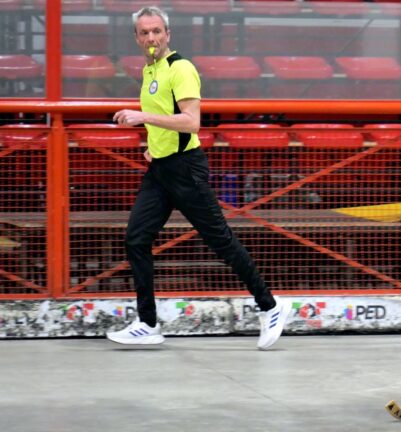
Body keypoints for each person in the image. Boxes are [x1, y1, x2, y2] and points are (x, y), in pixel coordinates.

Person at [107, 6, 291, 348]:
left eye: (157, 31)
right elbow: (165, 118)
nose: (151, 38)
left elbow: (192, 122)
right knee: (136, 238)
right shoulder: (151, 70)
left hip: (186, 169)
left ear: (168, 34)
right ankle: (147, 324)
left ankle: (271, 306)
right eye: (145, 33)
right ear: (137, 38)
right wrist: (153, 146)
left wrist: (140, 116)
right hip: (160, 168)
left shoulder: (181, 69)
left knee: (220, 240)